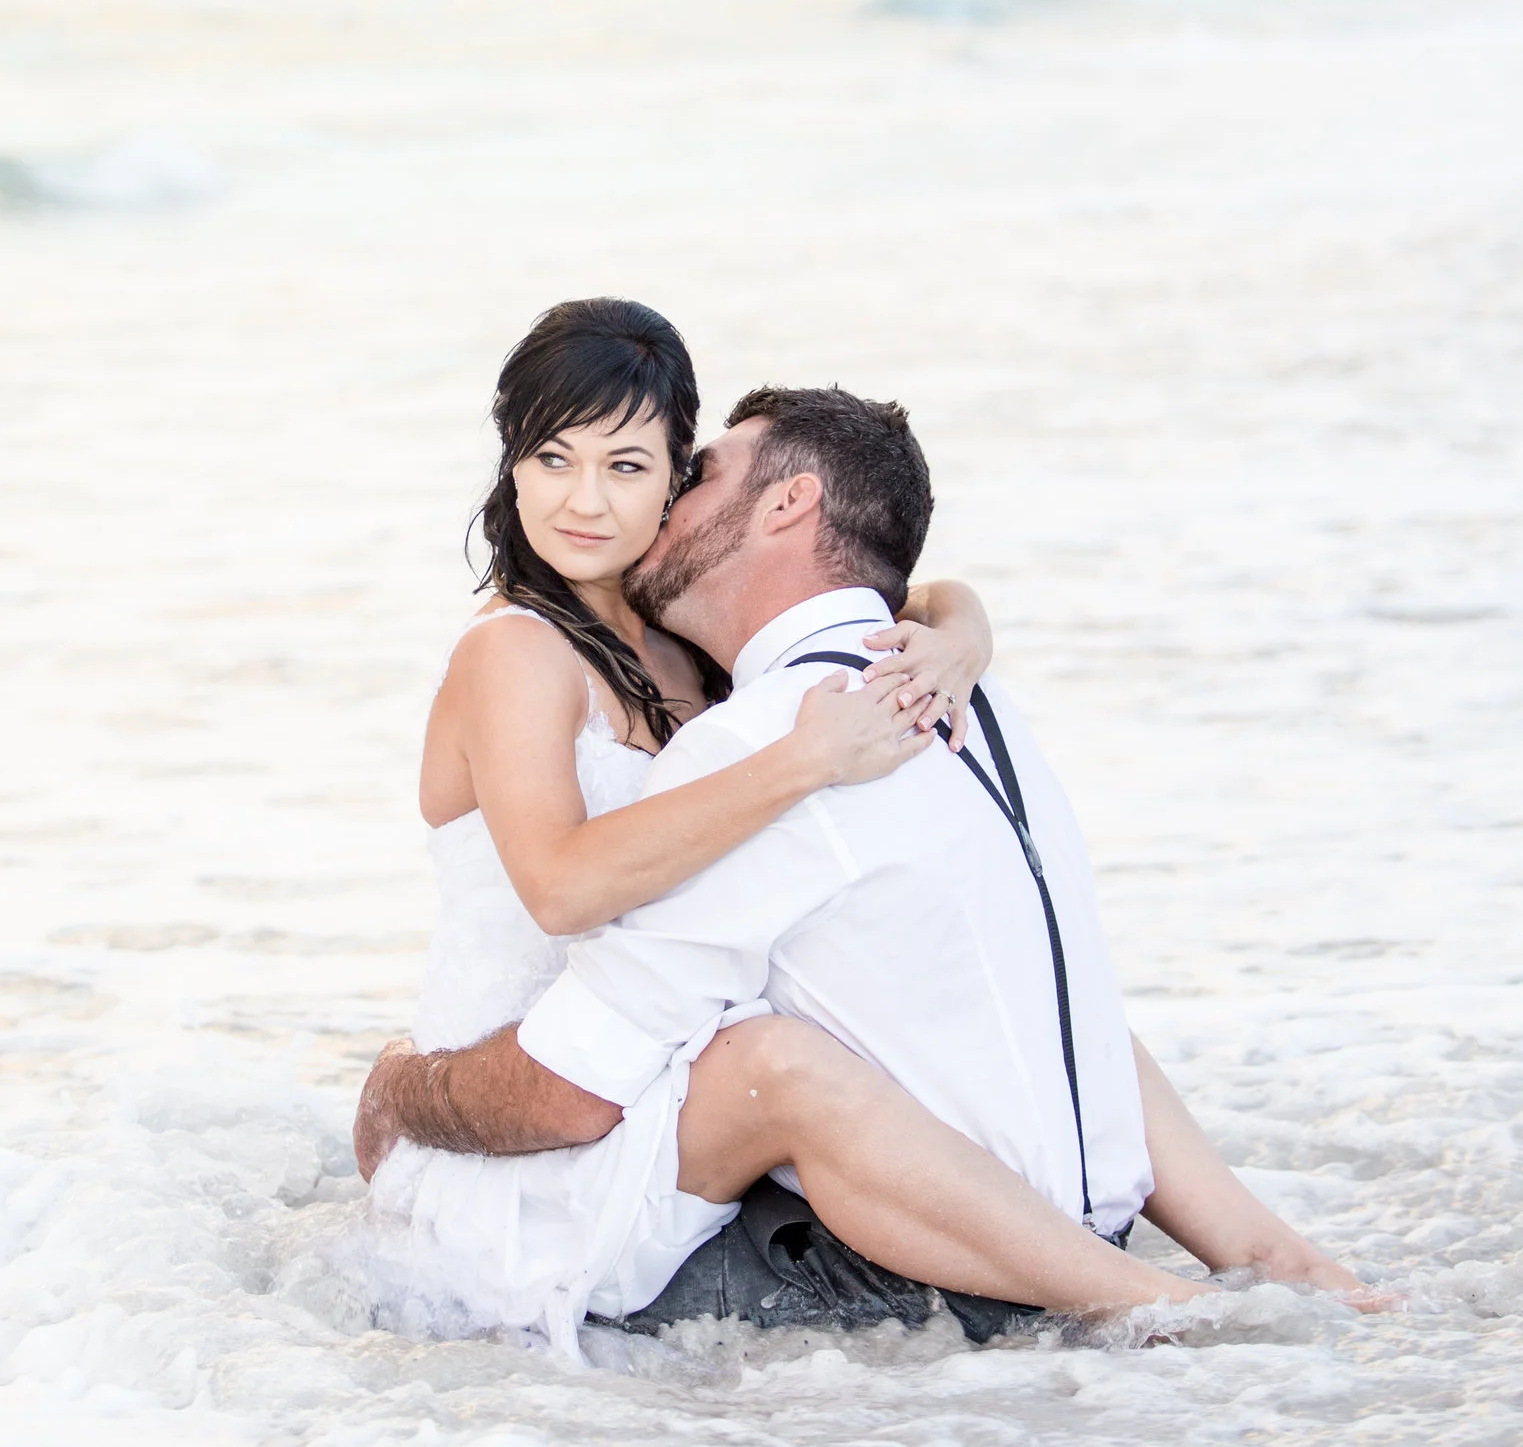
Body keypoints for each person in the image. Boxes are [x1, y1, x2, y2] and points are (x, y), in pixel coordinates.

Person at [358, 373, 1374, 1353]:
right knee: (1029, 994)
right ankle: (1279, 1263)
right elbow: (924, 596)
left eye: (679, 472)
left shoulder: (774, 735)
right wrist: (964, 630)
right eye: (554, 458)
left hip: (926, 1274)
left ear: (788, 502)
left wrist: (403, 1089)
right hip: (1043, 1214)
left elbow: (572, 1083)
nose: (651, 504)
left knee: (766, 1061)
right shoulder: (969, 704)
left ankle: (1152, 1304)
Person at [365, 298, 1001, 1350]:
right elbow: (562, 889)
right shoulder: (514, 653)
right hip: (518, 1120)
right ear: (510, 464)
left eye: (625, 467)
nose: (582, 502)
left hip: (655, 1075)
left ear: (677, 475)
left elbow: (906, 585)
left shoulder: (679, 643)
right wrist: (805, 760)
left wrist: (961, 634)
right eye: (551, 458)